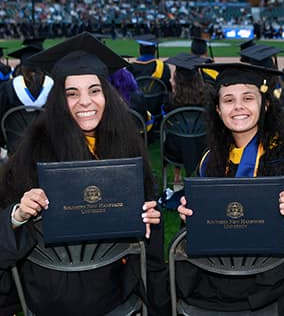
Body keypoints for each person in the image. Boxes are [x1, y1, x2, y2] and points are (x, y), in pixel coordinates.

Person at [0, 32, 167, 315]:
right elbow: (6, 216)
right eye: (71, 93)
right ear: (58, 101)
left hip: (111, 279)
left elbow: (147, 216)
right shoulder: (33, 148)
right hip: (52, 284)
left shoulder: (126, 144)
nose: (85, 102)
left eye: (94, 90)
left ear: (107, 94)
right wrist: (18, 214)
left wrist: (149, 217)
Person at [175, 62, 284, 314]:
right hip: (216, 270)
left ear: (265, 104)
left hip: (270, 276)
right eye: (228, 100)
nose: (238, 107)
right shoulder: (210, 159)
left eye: (248, 98)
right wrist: (189, 215)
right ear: (217, 109)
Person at [163, 52, 212, 188]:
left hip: (175, 150)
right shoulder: (209, 96)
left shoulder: (171, 99)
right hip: (204, 145)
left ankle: (177, 177)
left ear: (177, 78)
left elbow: (165, 120)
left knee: (175, 135)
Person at [0, 40, 52, 150]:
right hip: (48, 145)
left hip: (15, 146)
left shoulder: (7, 88)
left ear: (21, 67)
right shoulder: (55, 87)